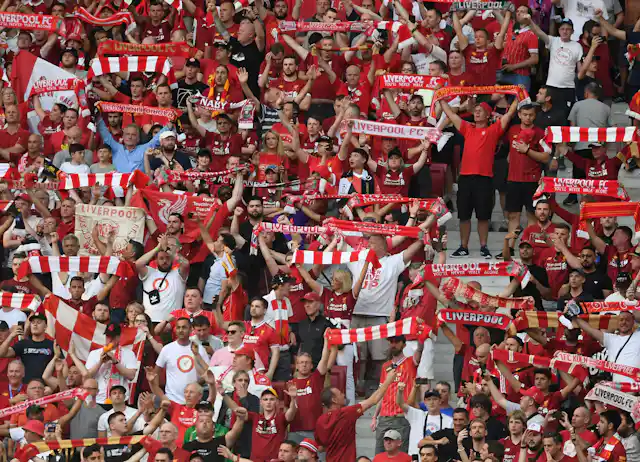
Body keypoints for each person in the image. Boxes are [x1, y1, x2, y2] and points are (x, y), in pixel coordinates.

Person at [316, 368, 398, 462]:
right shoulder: (345, 413)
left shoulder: (320, 421)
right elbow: (373, 400)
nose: (343, 394)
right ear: (334, 400)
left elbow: (321, 448)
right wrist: (388, 381)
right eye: (340, 393)